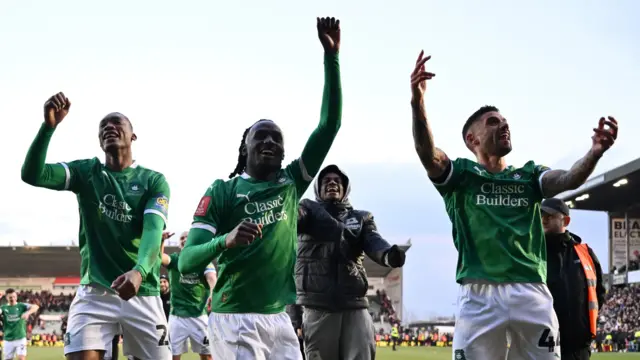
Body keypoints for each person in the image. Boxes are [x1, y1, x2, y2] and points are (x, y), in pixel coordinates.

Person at [409, 50, 619, 360]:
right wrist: (418, 102)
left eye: (505, 121)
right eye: (493, 122)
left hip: (531, 290)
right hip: (479, 294)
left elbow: (570, 179)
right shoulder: (462, 175)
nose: (503, 126)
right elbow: (427, 152)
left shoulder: (530, 175)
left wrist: (595, 152)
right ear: (472, 139)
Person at [178, 16, 343, 360]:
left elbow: (329, 125)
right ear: (244, 148)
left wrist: (332, 58)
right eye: (261, 136)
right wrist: (226, 240)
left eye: (277, 138)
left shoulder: (291, 182)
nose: (270, 142)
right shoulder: (223, 191)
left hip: (278, 316)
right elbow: (187, 261)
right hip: (234, 317)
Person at [21, 93, 172, 360]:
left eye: (117, 124)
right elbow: (33, 174)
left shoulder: (153, 181)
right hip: (95, 293)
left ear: (133, 136)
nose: (109, 128)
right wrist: (48, 127)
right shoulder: (87, 173)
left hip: (142, 291)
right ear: (99, 141)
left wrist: (138, 272)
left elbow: (152, 231)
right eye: (103, 127)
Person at [296, 164, 406, 359]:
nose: (332, 183)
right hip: (317, 306)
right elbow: (293, 220)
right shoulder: (307, 212)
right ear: (317, 189)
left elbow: (373, 241)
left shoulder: (361, 217)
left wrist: (388, 255)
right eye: (326, 181)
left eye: (337, 181)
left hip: (355, 305)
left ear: (345, 189)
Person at [542, 198, 605, 360]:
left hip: (577, 346)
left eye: (550, 215)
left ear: (566, 220)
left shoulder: (585, 253)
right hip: (540, 342)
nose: (543, 219)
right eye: (541, 214)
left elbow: (598, 293)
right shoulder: (530, 252)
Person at [162, 231, 216, 360]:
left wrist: (213, 293)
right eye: (182, 238)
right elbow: (160, 257)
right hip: (177, 317)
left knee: (207, 355)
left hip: (198, 315)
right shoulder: (175, 260)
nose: (184, 239)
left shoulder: (204, 261)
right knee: (173, 356)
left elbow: (211, 277)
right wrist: (161, 241)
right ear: (179, 244)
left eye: (188, 237)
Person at [0, 289, 40, 360]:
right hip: (8, 339)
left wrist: (27, 313)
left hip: (20, 338)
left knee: (21, 358)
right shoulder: (3, 308)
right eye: (10, 297)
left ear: (16, 297)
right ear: (6, 298)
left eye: (14, 296)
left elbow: (36, 307)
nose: (12, 299)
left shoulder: (21, 306)